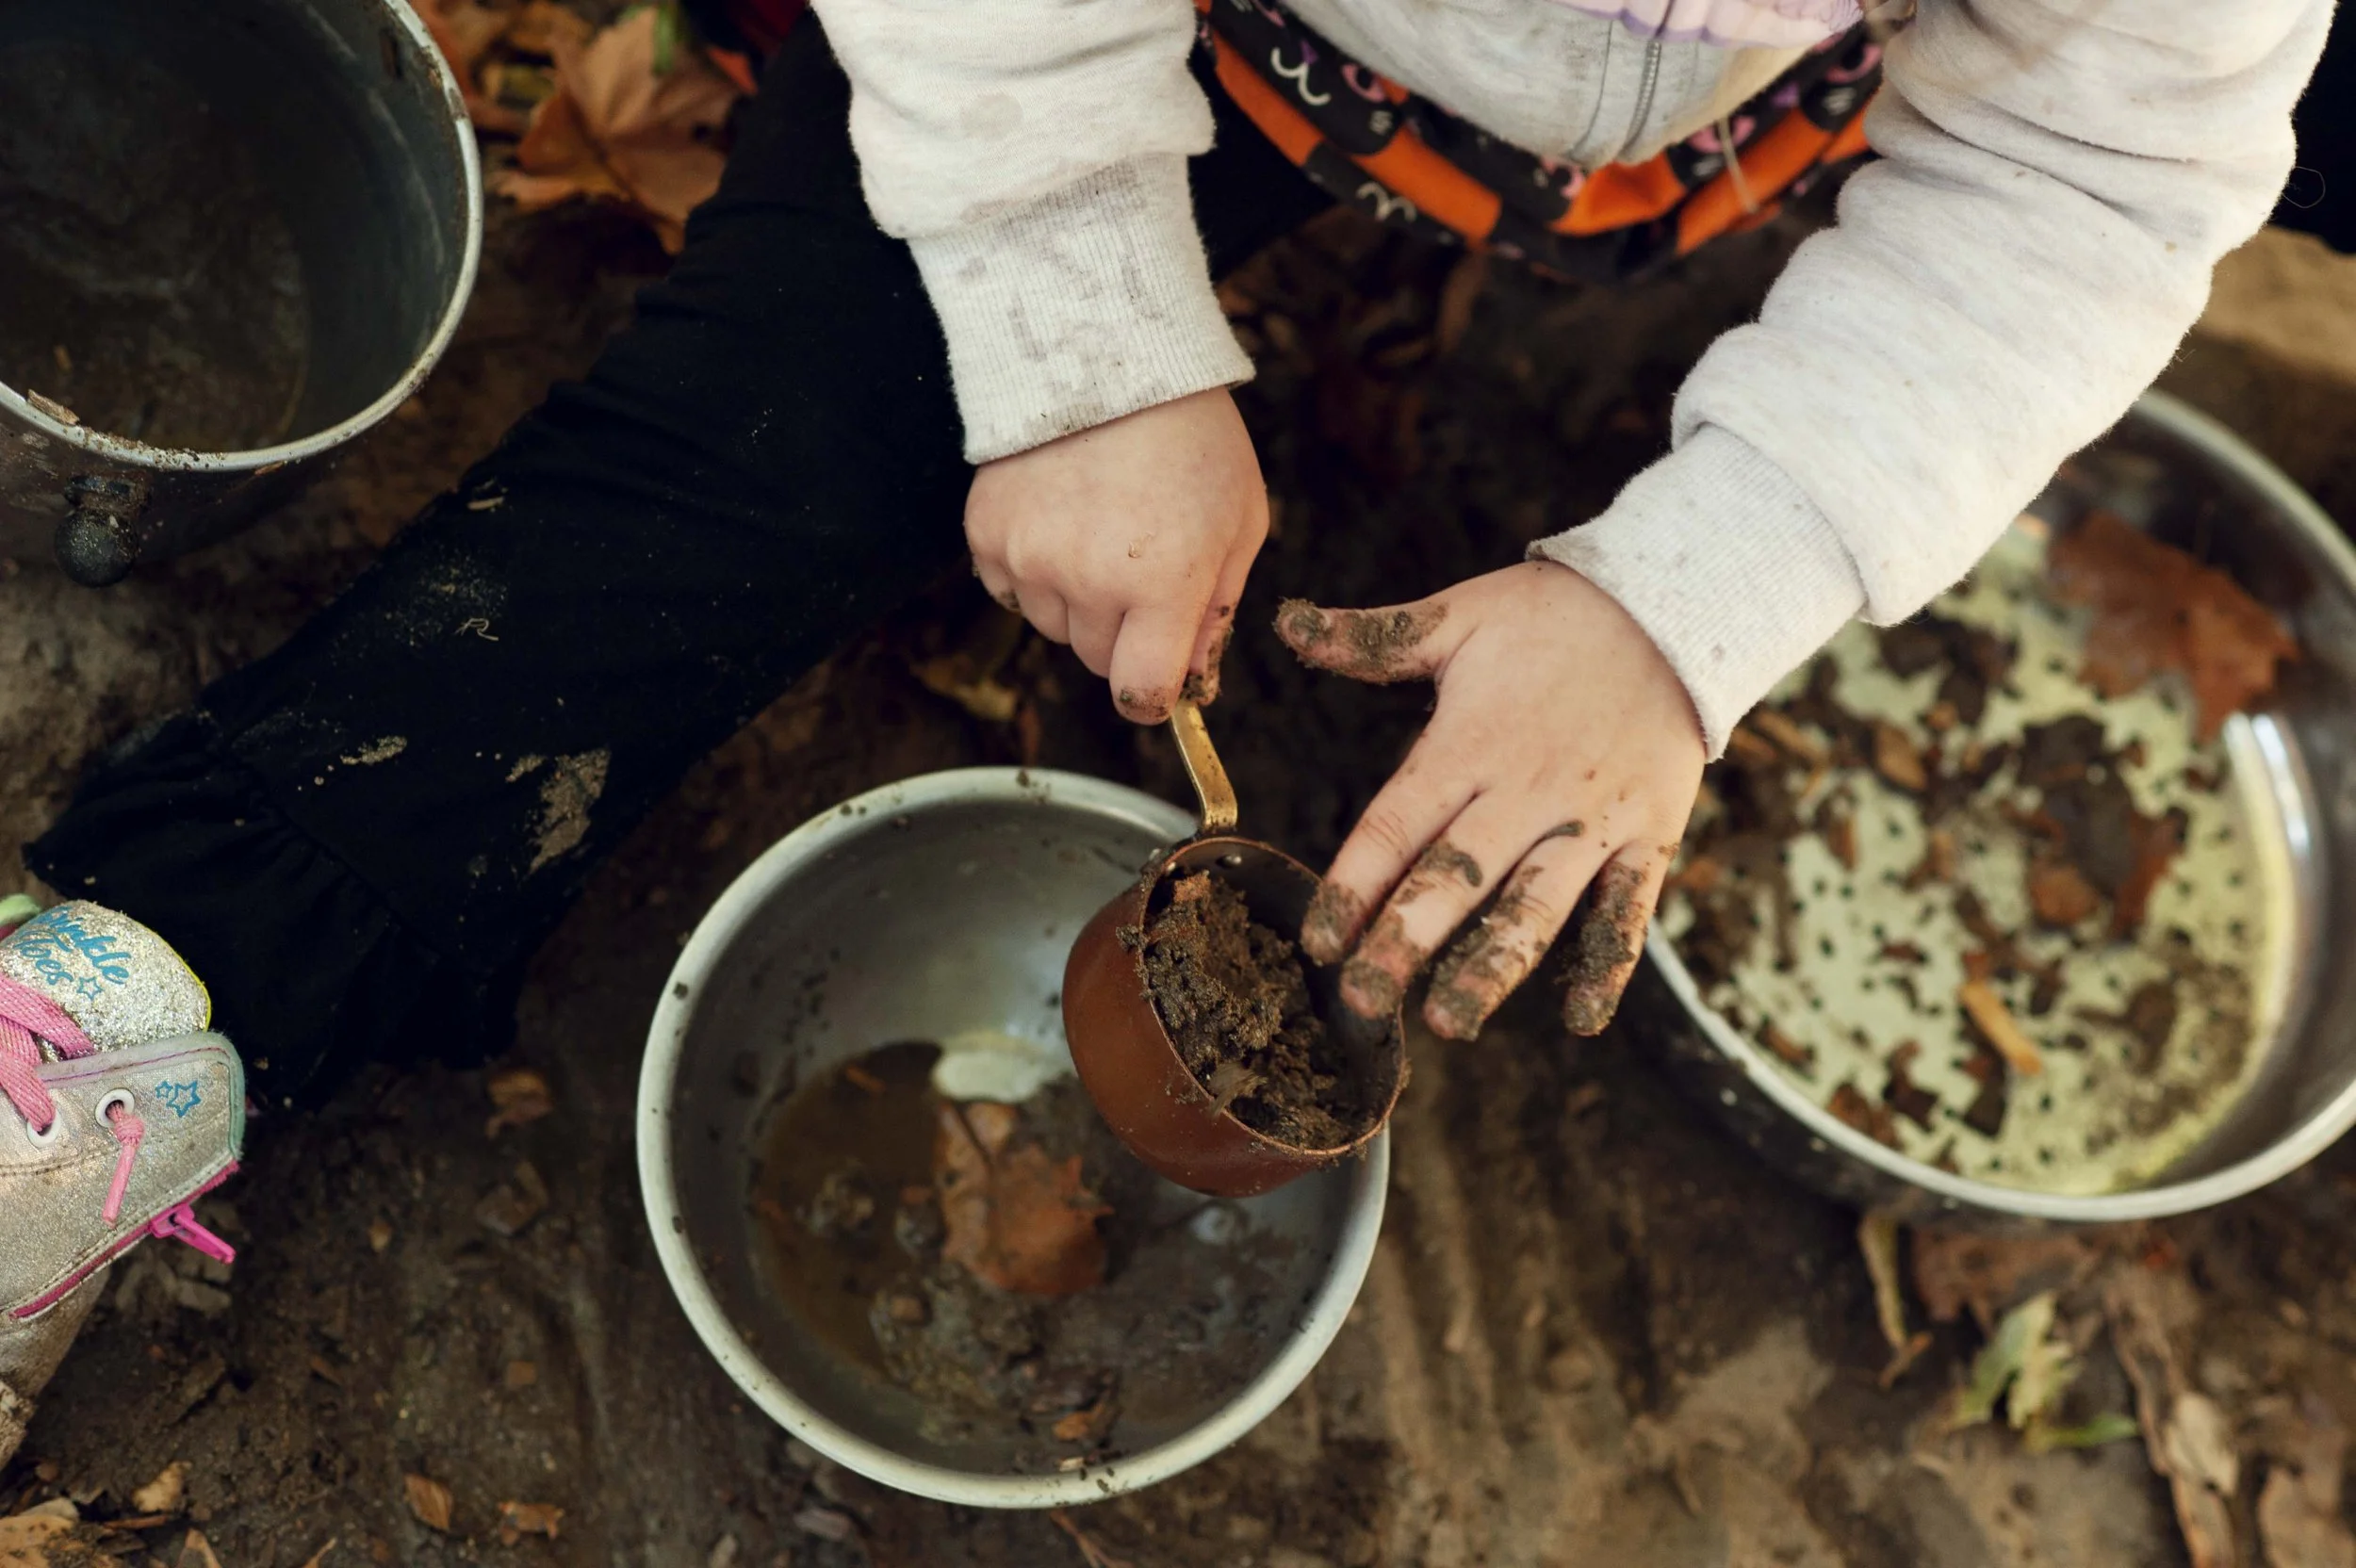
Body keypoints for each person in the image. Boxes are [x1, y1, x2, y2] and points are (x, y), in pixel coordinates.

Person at [1, 0, 2325, 1462]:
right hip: (1100, 44)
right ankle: (153, 986)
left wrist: (1691, 597)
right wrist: (1081, 320)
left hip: (1660, 140)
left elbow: (2089, 169)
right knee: (755, 468)